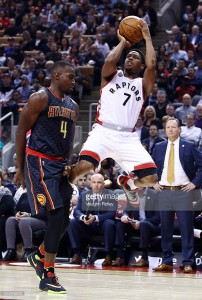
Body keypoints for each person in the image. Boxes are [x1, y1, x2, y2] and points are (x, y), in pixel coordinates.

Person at [69, 19, 158, 198]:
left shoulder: (143, 84)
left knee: (151, 178)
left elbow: (152, 65)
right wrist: (124, 42)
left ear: (141, 66)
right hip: (103, 131)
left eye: (136, 58)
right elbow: (110, 60)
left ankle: (128, 182)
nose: (131, 58)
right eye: (129, 56)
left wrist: (147, 38)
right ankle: (62, 185)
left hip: (127, 137)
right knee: (83, 167)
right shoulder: (111, 76)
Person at [15, 60, 78, 294]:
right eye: (70, 77)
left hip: (60, 165)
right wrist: (21, 168)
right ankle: (48, 274)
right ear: (57, 75)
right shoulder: (40, 98)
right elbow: (21, 131)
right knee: (56, 214)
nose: (74, 81)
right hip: (39, 162)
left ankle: (39, 255)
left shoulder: (73, 105)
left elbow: (69, 139)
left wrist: (69, 162)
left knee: (65, 220)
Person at [152, 117, 202, 273]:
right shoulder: (158, 147)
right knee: (165, 229)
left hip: (183, 192)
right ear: (165, 130)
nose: (171, 130)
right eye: (168, 127)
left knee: (186, 229)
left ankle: (188, 261)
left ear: (179, 129)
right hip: (164, 192)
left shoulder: (188, 146)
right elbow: (151, 168)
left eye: (174, 127)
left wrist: (194, 183)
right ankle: (167, 261)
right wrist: (153, 183)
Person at [68, 173, 117, 266]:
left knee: (109, 223)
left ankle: (108, 256)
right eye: (94, 182)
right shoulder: (84, 194)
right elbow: (76, 211)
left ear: (103, 184)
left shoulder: (111, 195)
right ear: (90, 184)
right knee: (72, 222)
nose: (96, 185)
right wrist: (83, 218)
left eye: (99, 182)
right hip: (88, 225)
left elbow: (112, 213)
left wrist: (96, 218)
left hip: (102, 225)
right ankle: (77, 254)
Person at [113, 187, 160, 267]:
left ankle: (144, 258)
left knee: (144, 224)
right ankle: (120, 256)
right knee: (120, 223)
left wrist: (141, 223)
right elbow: (126, 211)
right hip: (137, 225)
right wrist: (125, 216)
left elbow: (158, 217)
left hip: (153, 225)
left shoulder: (155, 194)